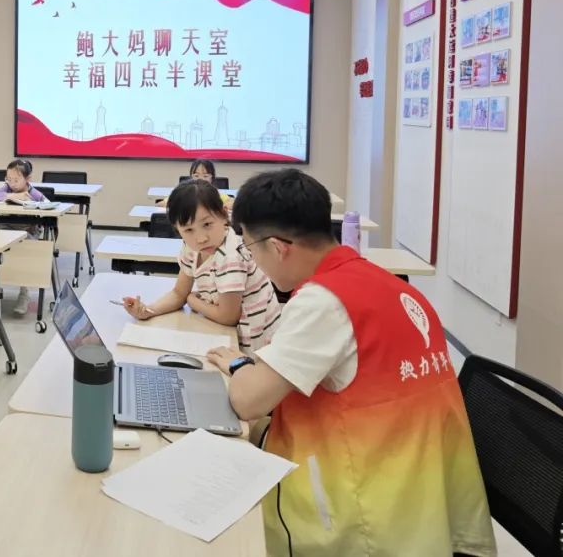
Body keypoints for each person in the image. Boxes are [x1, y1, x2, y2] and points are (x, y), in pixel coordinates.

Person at [205, 169, 495, 556]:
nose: (253, 261)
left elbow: (249, 401)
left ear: (278, 247)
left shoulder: (324, 301)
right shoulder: (391, 284)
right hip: (426, 505)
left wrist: (240, 366)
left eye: (250, 249)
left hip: (370, 517)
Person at [122, 180, 280, 353]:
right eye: (188, 230)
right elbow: (179, 293)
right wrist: (148, 310)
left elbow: (228, 316)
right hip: (229, 332)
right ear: (178, 230)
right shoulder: (191, 248)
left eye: (207, 224)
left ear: (223, 215)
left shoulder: (230, 256)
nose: (201, 238)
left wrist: (193, 301)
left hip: (255, 344)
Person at [0, 159, 49, 316]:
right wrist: (12, 195)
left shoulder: (34, 193)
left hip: (28, 232)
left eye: (16, 180)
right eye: (9, 179)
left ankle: (24, 292)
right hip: (6, 230)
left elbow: (47, 204)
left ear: (28, 179)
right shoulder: (7, 188)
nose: (12, 183)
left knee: (24, 255)